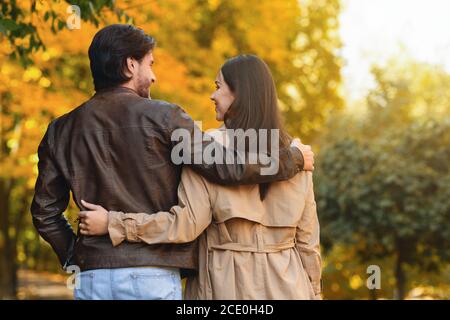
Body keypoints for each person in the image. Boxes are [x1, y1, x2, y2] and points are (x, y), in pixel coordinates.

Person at [30, 25, 314, 300]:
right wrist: (291, 159)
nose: (153, 77)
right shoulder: (166, 118)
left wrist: (75, 256)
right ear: (130, 66)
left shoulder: (60, 130)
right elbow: (228, 167)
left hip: (93, 275)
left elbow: (44, 213)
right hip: (153, 271)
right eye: (149, 64)